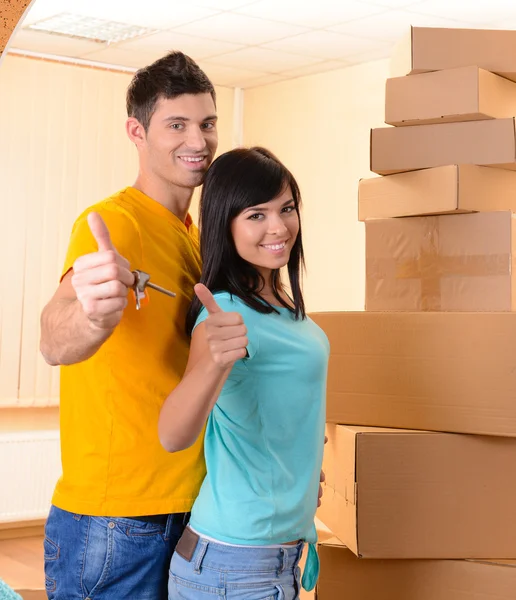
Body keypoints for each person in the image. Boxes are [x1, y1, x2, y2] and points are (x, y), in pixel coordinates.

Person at [39, 51, 219, 600]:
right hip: (117, 524)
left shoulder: (194, 235)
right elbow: (54, 337)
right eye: (177, 125)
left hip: (189, 507)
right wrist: (91, 316)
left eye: (208, 123)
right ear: (137, 131)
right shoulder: (116, 221)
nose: (198, 139)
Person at [159, 147, 330, 599]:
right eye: (256, 214)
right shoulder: (225, 314)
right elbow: (173, 434)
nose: (279, 227)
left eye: (287, 209)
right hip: (234, 564)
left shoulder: (283, 306)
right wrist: (212, 363)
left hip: (269, 555)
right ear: (224, 223)